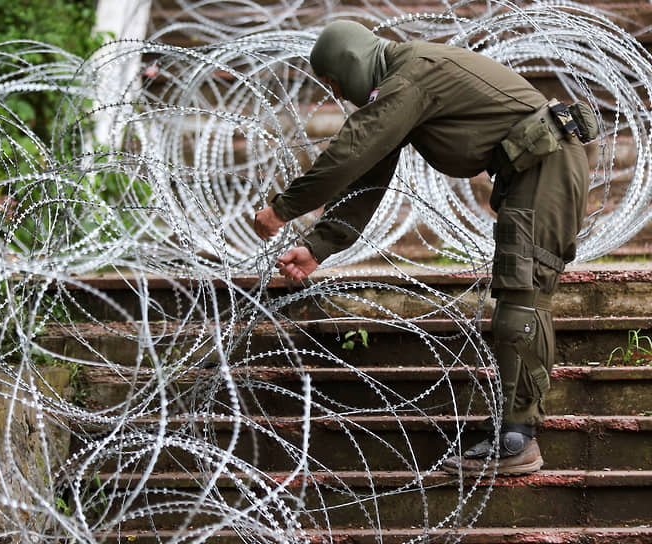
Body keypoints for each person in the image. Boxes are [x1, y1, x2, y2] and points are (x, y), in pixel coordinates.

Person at [254, 20, 592, 475]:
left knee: (523, 298)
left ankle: (518, 440)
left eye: (334, 82)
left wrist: (282, 208)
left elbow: (352, 150)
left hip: (546, 164)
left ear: (350, 63)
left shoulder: (411, 73)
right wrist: (319, 245)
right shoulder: (403, 79)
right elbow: (368, 172)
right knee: (519, 293)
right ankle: (516, 432)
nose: (337, 92)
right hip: (534, 166)